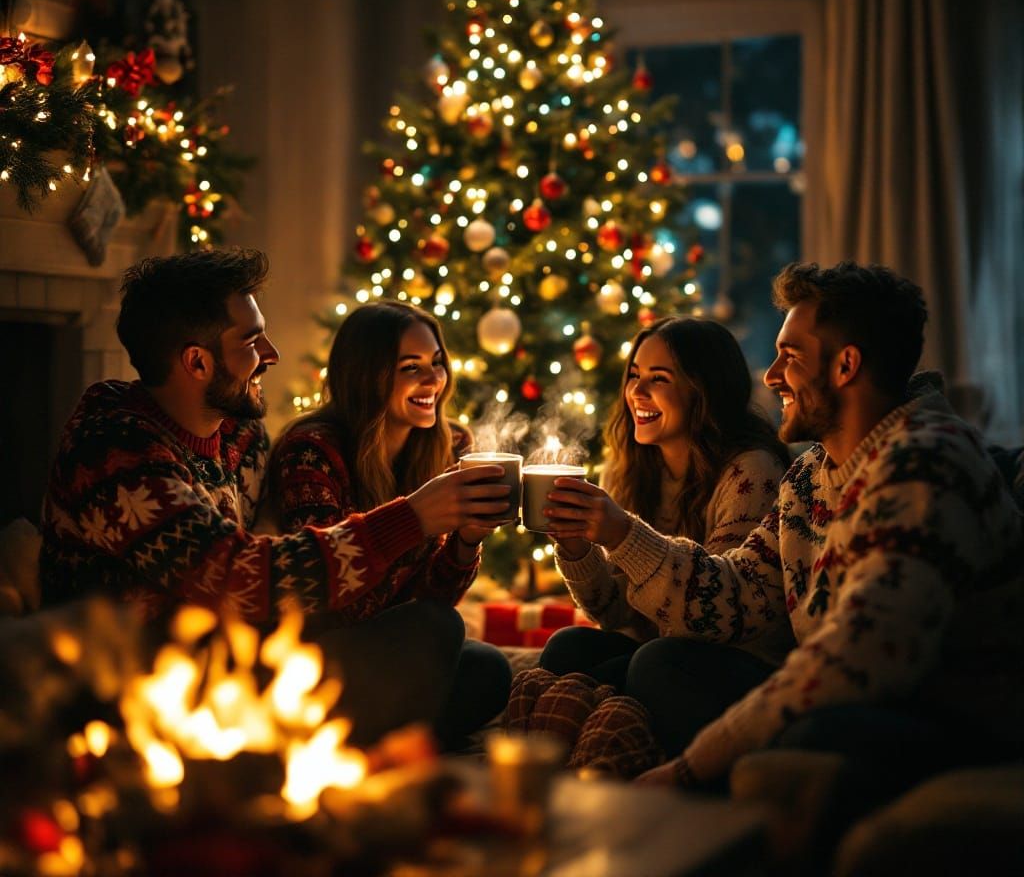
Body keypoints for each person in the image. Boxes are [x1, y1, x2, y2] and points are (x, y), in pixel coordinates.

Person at [544, 262, 1023, 796]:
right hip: (854, 701)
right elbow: (730, 599)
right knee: (659, 663)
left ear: (846, 366)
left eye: (789, 358)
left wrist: (689, 767)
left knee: (817, 734)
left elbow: (865, 656)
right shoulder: (809, 474)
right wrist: (617, 536)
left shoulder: (926, 459)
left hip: (950, 719)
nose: (771, 376)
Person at [39, 250, 511, 745]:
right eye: (250, 340)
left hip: (232, 671)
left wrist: (460, 541)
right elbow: (247, 576)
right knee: (429, 631)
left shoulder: (241, 438)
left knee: (480, 666)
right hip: (139, 701)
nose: (271, 353)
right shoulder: (113, 450)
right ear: (197, 362)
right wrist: (413, 517)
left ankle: (356, 741)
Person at [538, 317, 792, 756]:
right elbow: (617, 614)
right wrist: (576, 546)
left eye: (659, 379)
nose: (637, 392)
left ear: (704, 390)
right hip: (662, 648)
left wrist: (622, 534)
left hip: (740, 659)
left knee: (649, 665)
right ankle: (599, 733)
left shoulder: (751, 471)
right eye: (634, 375)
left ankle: (613, 733)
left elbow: (713, 620)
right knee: (567, 648)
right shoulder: (630, 468)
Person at [266, 300, 512, 746]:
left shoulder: (446, 445)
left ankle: (390, 740)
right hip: (318, 656)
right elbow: (331, 605)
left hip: (392, 646)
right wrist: (415, 521)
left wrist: (466, 540)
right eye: (410, 367)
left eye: (436, 363)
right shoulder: (312, 452)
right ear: (367, 375)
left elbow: (433, 595)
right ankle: (358, 740)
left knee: (489, 668)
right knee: (439, 628)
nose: (433, 380)